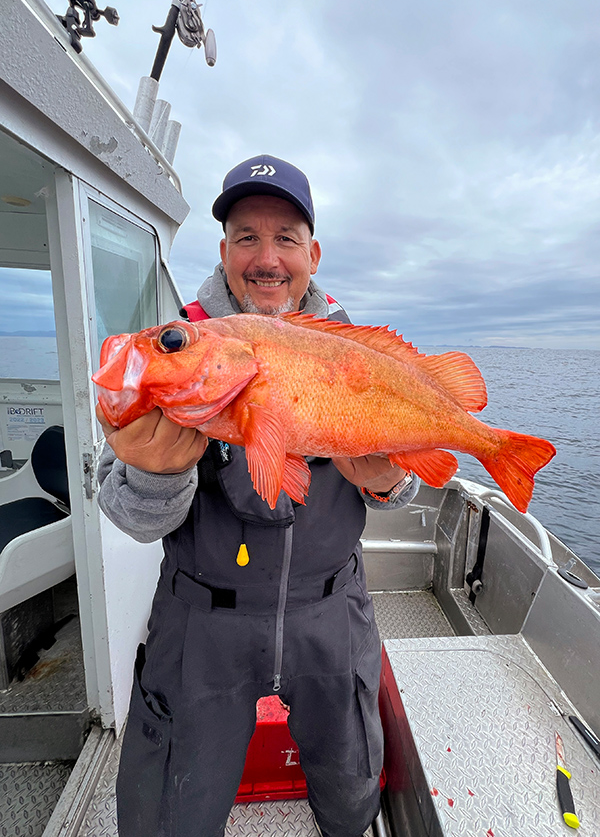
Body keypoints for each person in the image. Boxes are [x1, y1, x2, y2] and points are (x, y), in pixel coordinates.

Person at [97, 155, 420, 837]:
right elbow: (125, 512)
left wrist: (389, 478)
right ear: (223, 251)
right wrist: (157, 476)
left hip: (331, 610)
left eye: (285, 239)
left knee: (350, 785)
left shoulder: (357, 353)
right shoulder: (184, 347)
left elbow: (404, 482)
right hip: (202, 621)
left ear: (313, 253)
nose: (266, 258)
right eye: (247, 237)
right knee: (168, 808)